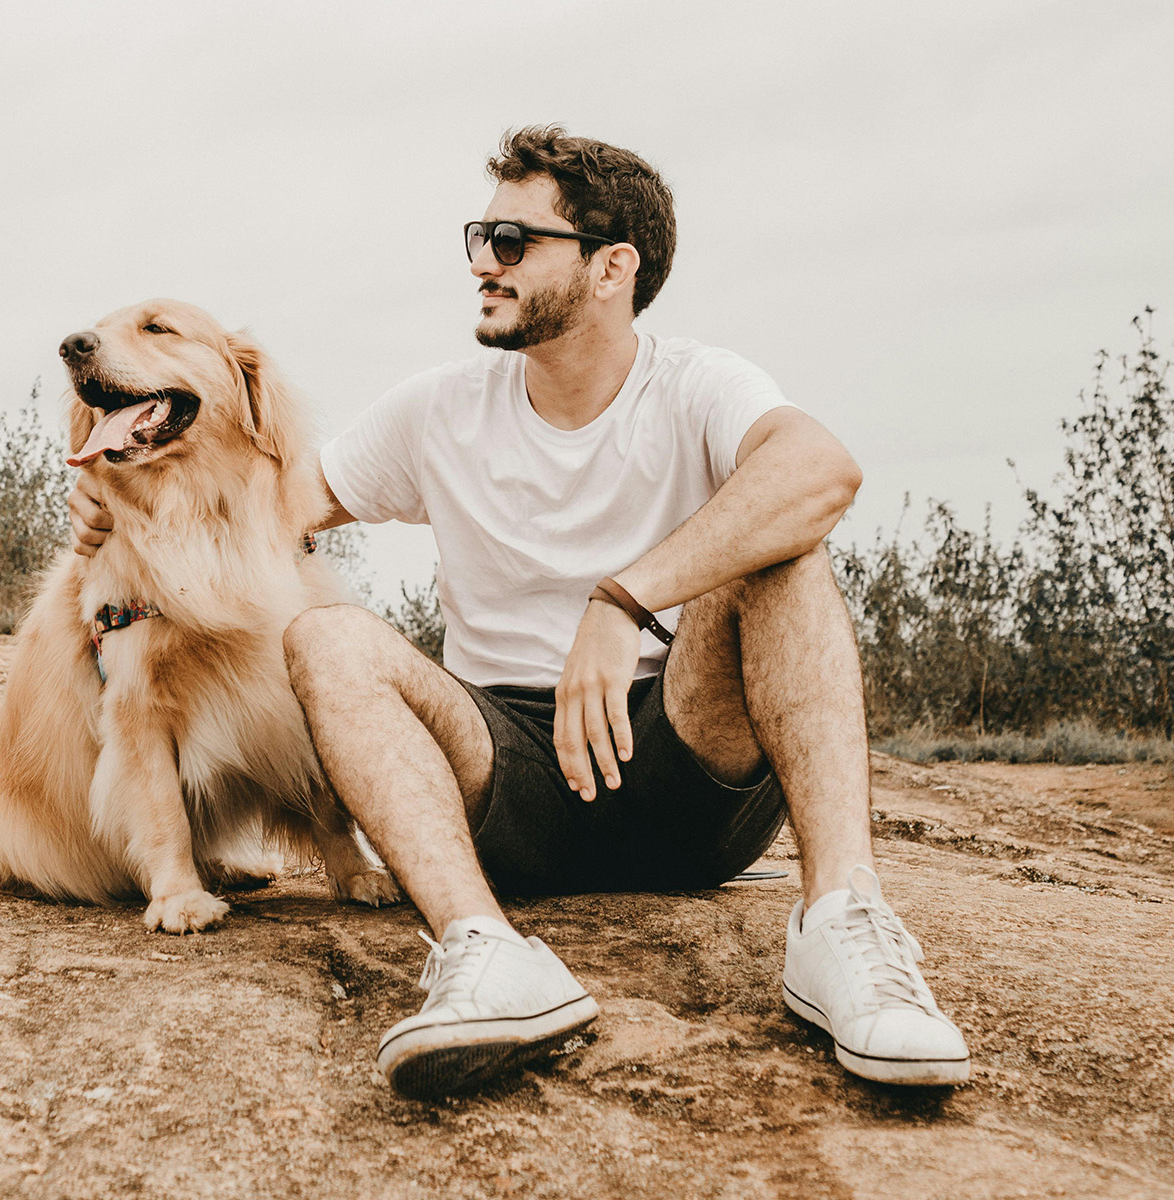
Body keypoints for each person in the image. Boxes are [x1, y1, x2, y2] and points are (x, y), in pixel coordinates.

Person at [70, 126, 970, 1098]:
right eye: (478, 238)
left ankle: (840, 922)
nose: (481, 265)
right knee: (325, 635)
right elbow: (260, 509)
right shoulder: (439, 409)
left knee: (784, 553)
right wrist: (123, 486)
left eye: (512, 242)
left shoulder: (700, 385)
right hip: (506, 779)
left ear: (610, 268)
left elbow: (820, 472)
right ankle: (486, 953)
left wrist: (623, 602)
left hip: (682, 756)